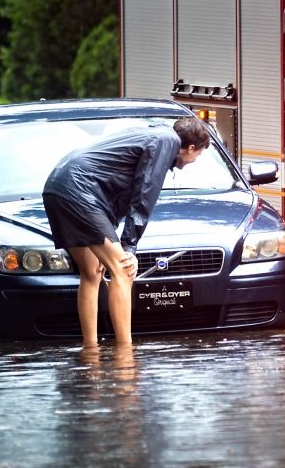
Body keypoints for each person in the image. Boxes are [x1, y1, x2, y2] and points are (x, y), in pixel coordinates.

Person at [43, 116, 211, 347]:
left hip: (57, 186)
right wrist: (128, 246)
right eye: (198, 155)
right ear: (191, 148)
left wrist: (112, 236)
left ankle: (90, 349)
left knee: (92, 272)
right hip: (79, 190)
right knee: (124, 270)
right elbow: (145, 192)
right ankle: (125, 352)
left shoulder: (153, 134)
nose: (194, 159)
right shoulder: (166, 141)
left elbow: (114, 189)